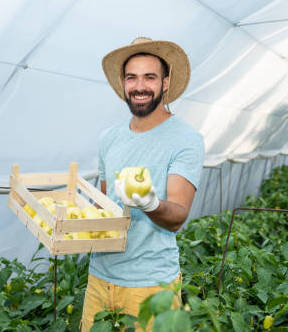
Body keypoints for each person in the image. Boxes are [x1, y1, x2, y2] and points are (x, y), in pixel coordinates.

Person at [80, 37, 204, 332]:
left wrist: (150, 203)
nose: (139, 86)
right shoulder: (108, 138)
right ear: (123, 84)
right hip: (99, 277)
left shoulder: (186, 140)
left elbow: (177, 216)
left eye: (150, 77)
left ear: (165, 82)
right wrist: (73, 221)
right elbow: (106, 205)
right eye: (131, 77)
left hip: (151, 285)